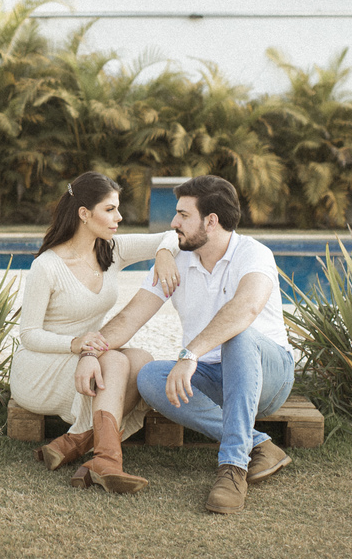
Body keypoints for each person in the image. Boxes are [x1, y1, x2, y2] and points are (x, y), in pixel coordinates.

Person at [74, 175, 296, 513]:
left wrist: (190, 354)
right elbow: (131, 318)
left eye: (183, 215)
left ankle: (233, 467)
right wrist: (91, 352)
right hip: (213, 378)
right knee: (150, 377)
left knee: (238, 333)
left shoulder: (254, 254)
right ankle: (261, 445)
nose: (174, 223)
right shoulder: (177, 260)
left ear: (211, 221)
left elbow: (245, 308)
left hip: (267, 376)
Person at [10, 171, 179, 493]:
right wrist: (77, 345)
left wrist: (163, 254)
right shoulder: (46, 266)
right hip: (41, 364)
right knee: (115, 362)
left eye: (117, 209)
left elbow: (171, 236)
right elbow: (28, 334)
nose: (119, 217)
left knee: (142, 359)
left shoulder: (111, 250)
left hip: (90, 355)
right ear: (84, 214)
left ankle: (73, 443)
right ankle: (107, 459)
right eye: (110, 209)